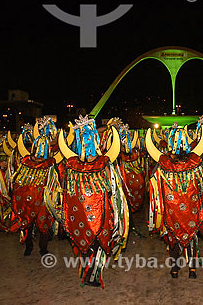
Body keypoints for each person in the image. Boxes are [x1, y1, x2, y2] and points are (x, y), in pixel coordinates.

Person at [52, 115, 129, 288]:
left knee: (99, 245)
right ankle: (88, 272)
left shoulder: (105, 163)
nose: (87, 149)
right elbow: (67, 191)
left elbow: (113, 189)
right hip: (80, 218)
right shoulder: (72, 165)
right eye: (83, 143)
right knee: (85, 247)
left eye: (90, 143)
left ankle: (94, 274)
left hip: (102, 214)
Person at [146, 124, 203, 278]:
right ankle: (192, 270)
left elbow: (153, 187)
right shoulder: (195, 165)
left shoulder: (163, 166)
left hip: (171, 212)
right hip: (192, 211)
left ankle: (174, 270)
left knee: (173, 239)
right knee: (192, 238)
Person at [11, 118, 58, 256]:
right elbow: (17, 182)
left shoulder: (50, 165)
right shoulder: (25, 163)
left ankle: (43, 249)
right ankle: (29, 246)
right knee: (27, 225)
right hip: (26, 202)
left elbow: (54, 184)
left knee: (43, 226)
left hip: (43, 202)